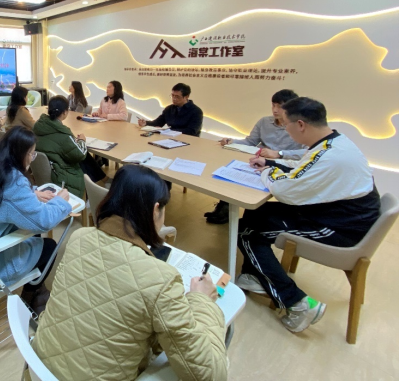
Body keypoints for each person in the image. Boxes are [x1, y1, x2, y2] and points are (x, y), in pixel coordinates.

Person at [33, 165, 228, 381]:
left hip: (38, 370)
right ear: (155, 210)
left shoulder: (80, 238)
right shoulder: (161, 279)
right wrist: (201, 300)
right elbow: (210, 374)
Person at [239, 97, 381, 334]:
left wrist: (267, 171)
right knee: (257, 211)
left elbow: (284, 190)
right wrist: (272, 163)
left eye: (286, 124)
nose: (285, 129)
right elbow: (303, 169)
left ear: (301, 125)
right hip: (336, 214)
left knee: (246, 232)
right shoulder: (333, 142)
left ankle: (297, 303)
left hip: (339, 229)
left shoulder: (330, 156)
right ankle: (254, 274)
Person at [0, 126, 72, 314]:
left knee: (30, 230)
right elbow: (43, 221)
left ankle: (35, 290)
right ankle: (32, 296)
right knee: (49, 246)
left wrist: (32, 193)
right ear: (21, 154)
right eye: (31, 154)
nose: (32, 159)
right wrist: (61, 201)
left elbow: (4, 200)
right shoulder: (14, 182)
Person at [205, 89, 307, 224]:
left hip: (282, 167)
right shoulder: (264, 122)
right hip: (258, 161)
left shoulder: (298, 126)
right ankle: (225, 208)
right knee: (230, 173)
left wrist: (280, 153)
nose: (275, 110)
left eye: (280, 106)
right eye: (273, 105)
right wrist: (231, 141)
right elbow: (250, 141)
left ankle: (250, 220)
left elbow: (307, 152)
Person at [33, 95, 106, 197]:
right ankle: (98, 188)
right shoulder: (62, 134)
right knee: (83, 156)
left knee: (82, 155)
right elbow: (79, 154)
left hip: (48, 168)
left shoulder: (39, 126)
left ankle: (102, 181)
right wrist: (82, 140)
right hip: (60, 174)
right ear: (64, 112)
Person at [138, 83, 203, 137]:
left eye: (177, 96)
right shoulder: (169, 109)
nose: (174, 99)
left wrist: (168, 130)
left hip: (188, 140)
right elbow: (158, 123)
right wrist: (146, 123)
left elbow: (191, 131)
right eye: (172, 95)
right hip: (170, 138)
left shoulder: (196, 111)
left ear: (186, 97)